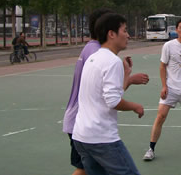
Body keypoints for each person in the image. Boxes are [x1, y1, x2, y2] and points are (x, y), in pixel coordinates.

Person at [62, 9, 149, 175]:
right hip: (101, 138)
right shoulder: (111, 61)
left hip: (81, 136)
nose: (128, 35)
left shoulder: (93, 58)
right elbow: (113, 101)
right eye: (124, 30)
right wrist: (135, 106)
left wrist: (127, 77)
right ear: (111, 34)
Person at [142, 18, 181, 161]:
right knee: (160, 117)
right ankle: (151, 148)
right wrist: (164, 86)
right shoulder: (169, 46)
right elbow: (162, 66)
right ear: (176, 30)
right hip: (171, 88)